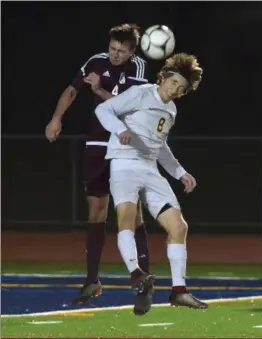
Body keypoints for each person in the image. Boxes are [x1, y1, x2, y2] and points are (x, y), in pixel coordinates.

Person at [45, 24, 152, 310]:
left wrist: (98, 89)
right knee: (95, 211)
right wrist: (56, 118)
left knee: (133, 213)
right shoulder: (95, 61)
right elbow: (71, 90)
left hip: (126, 145)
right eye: (112, 49)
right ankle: (92, 280)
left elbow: (128, 108)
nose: (115, 55)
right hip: (97, 144)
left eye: (121, 51)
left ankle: (144, 283)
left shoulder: (139, 68)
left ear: (132, 52)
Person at [95, 53, 209, 313]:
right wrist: (119, 129)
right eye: (174, 83)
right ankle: (136, 274)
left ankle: (179, 291)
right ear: (164, 77)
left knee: (178, 226)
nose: (176, 90)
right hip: (124, 162)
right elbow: (103, 109)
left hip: (149, 168)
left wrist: (180, 173)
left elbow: (161, 148)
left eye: (182, 89)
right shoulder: (141, 93)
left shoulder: (171, 110)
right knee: (127, 217)